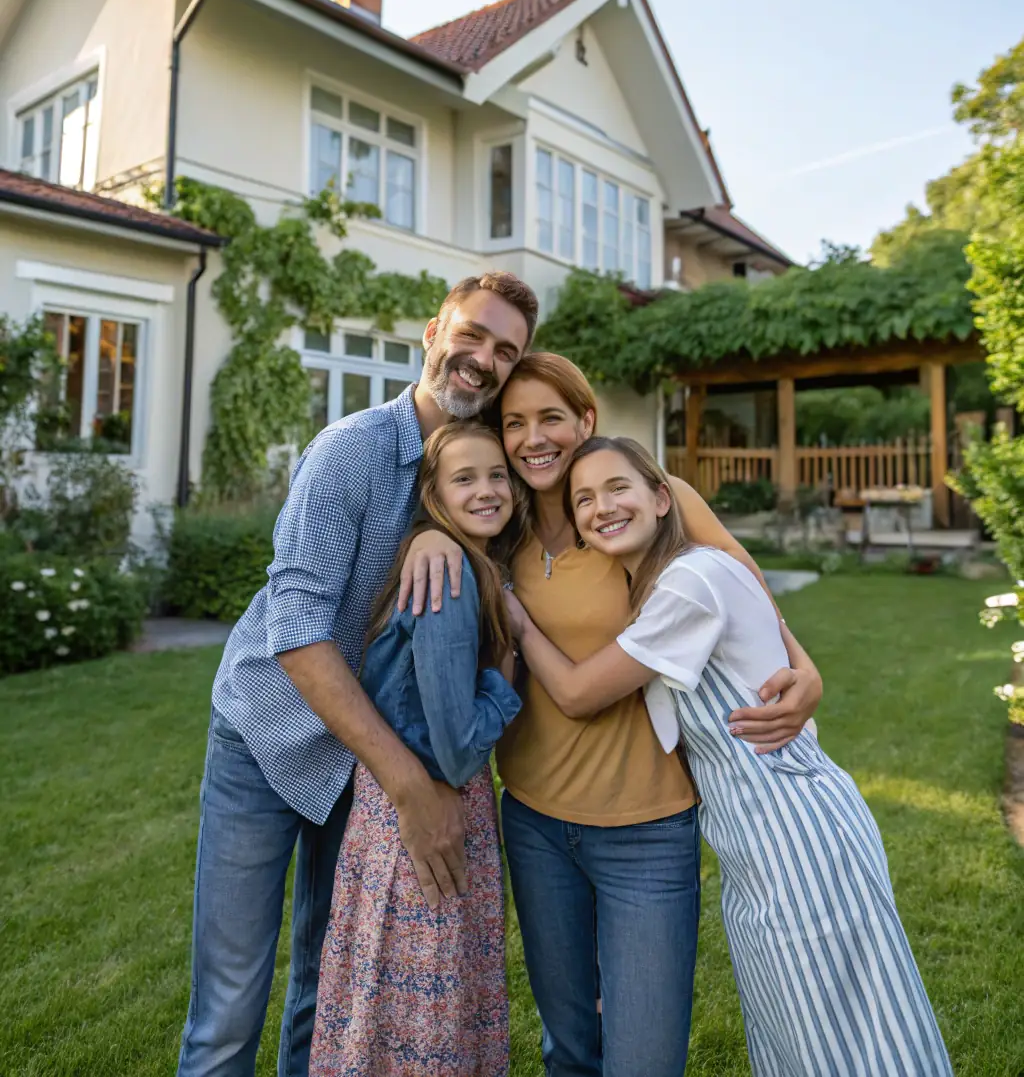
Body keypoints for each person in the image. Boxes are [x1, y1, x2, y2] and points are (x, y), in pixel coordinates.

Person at [399, 353, 823, 1077]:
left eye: (552, 418)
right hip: (534, 822)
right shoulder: (502, 530)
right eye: (515, 423)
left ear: (585, 421)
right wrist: (431, 534)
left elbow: (744, 584)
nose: (534, 438)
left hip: (648, 831)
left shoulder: (649, 503)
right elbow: (451, 510)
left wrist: (804, 666)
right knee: (568, 1049)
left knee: (645, 1060)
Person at [176, 271, 538, 1077]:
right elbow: (296, 629)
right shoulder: (352, 450)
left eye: (505, 351)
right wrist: (410, 782)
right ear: (432, 334)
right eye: (471, 334)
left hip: (361, 762)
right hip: (268, 735)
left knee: (327, 982)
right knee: (230, 1004)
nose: (482, 359)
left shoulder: (488, 478)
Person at [511, 436, 953, 1077]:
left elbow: (579, 695)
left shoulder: (693, 582)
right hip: (752, 847)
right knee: (792, 1040)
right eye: (583, 499)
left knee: (852, 1042)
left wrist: (519, 620)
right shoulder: (664, 587)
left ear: (663, 499)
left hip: (799, 839)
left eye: (617, 489)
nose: (601, 507)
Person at [310, 422, 524, 1077]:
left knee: (386, 1003)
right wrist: (507, 670)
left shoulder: (459, 559)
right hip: (427, 810)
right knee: (420, 1012)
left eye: (497, 475)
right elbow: (458, 750)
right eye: (465, 477)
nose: (487, 489)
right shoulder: (450, 573)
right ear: (432, 494)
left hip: (388, 808)